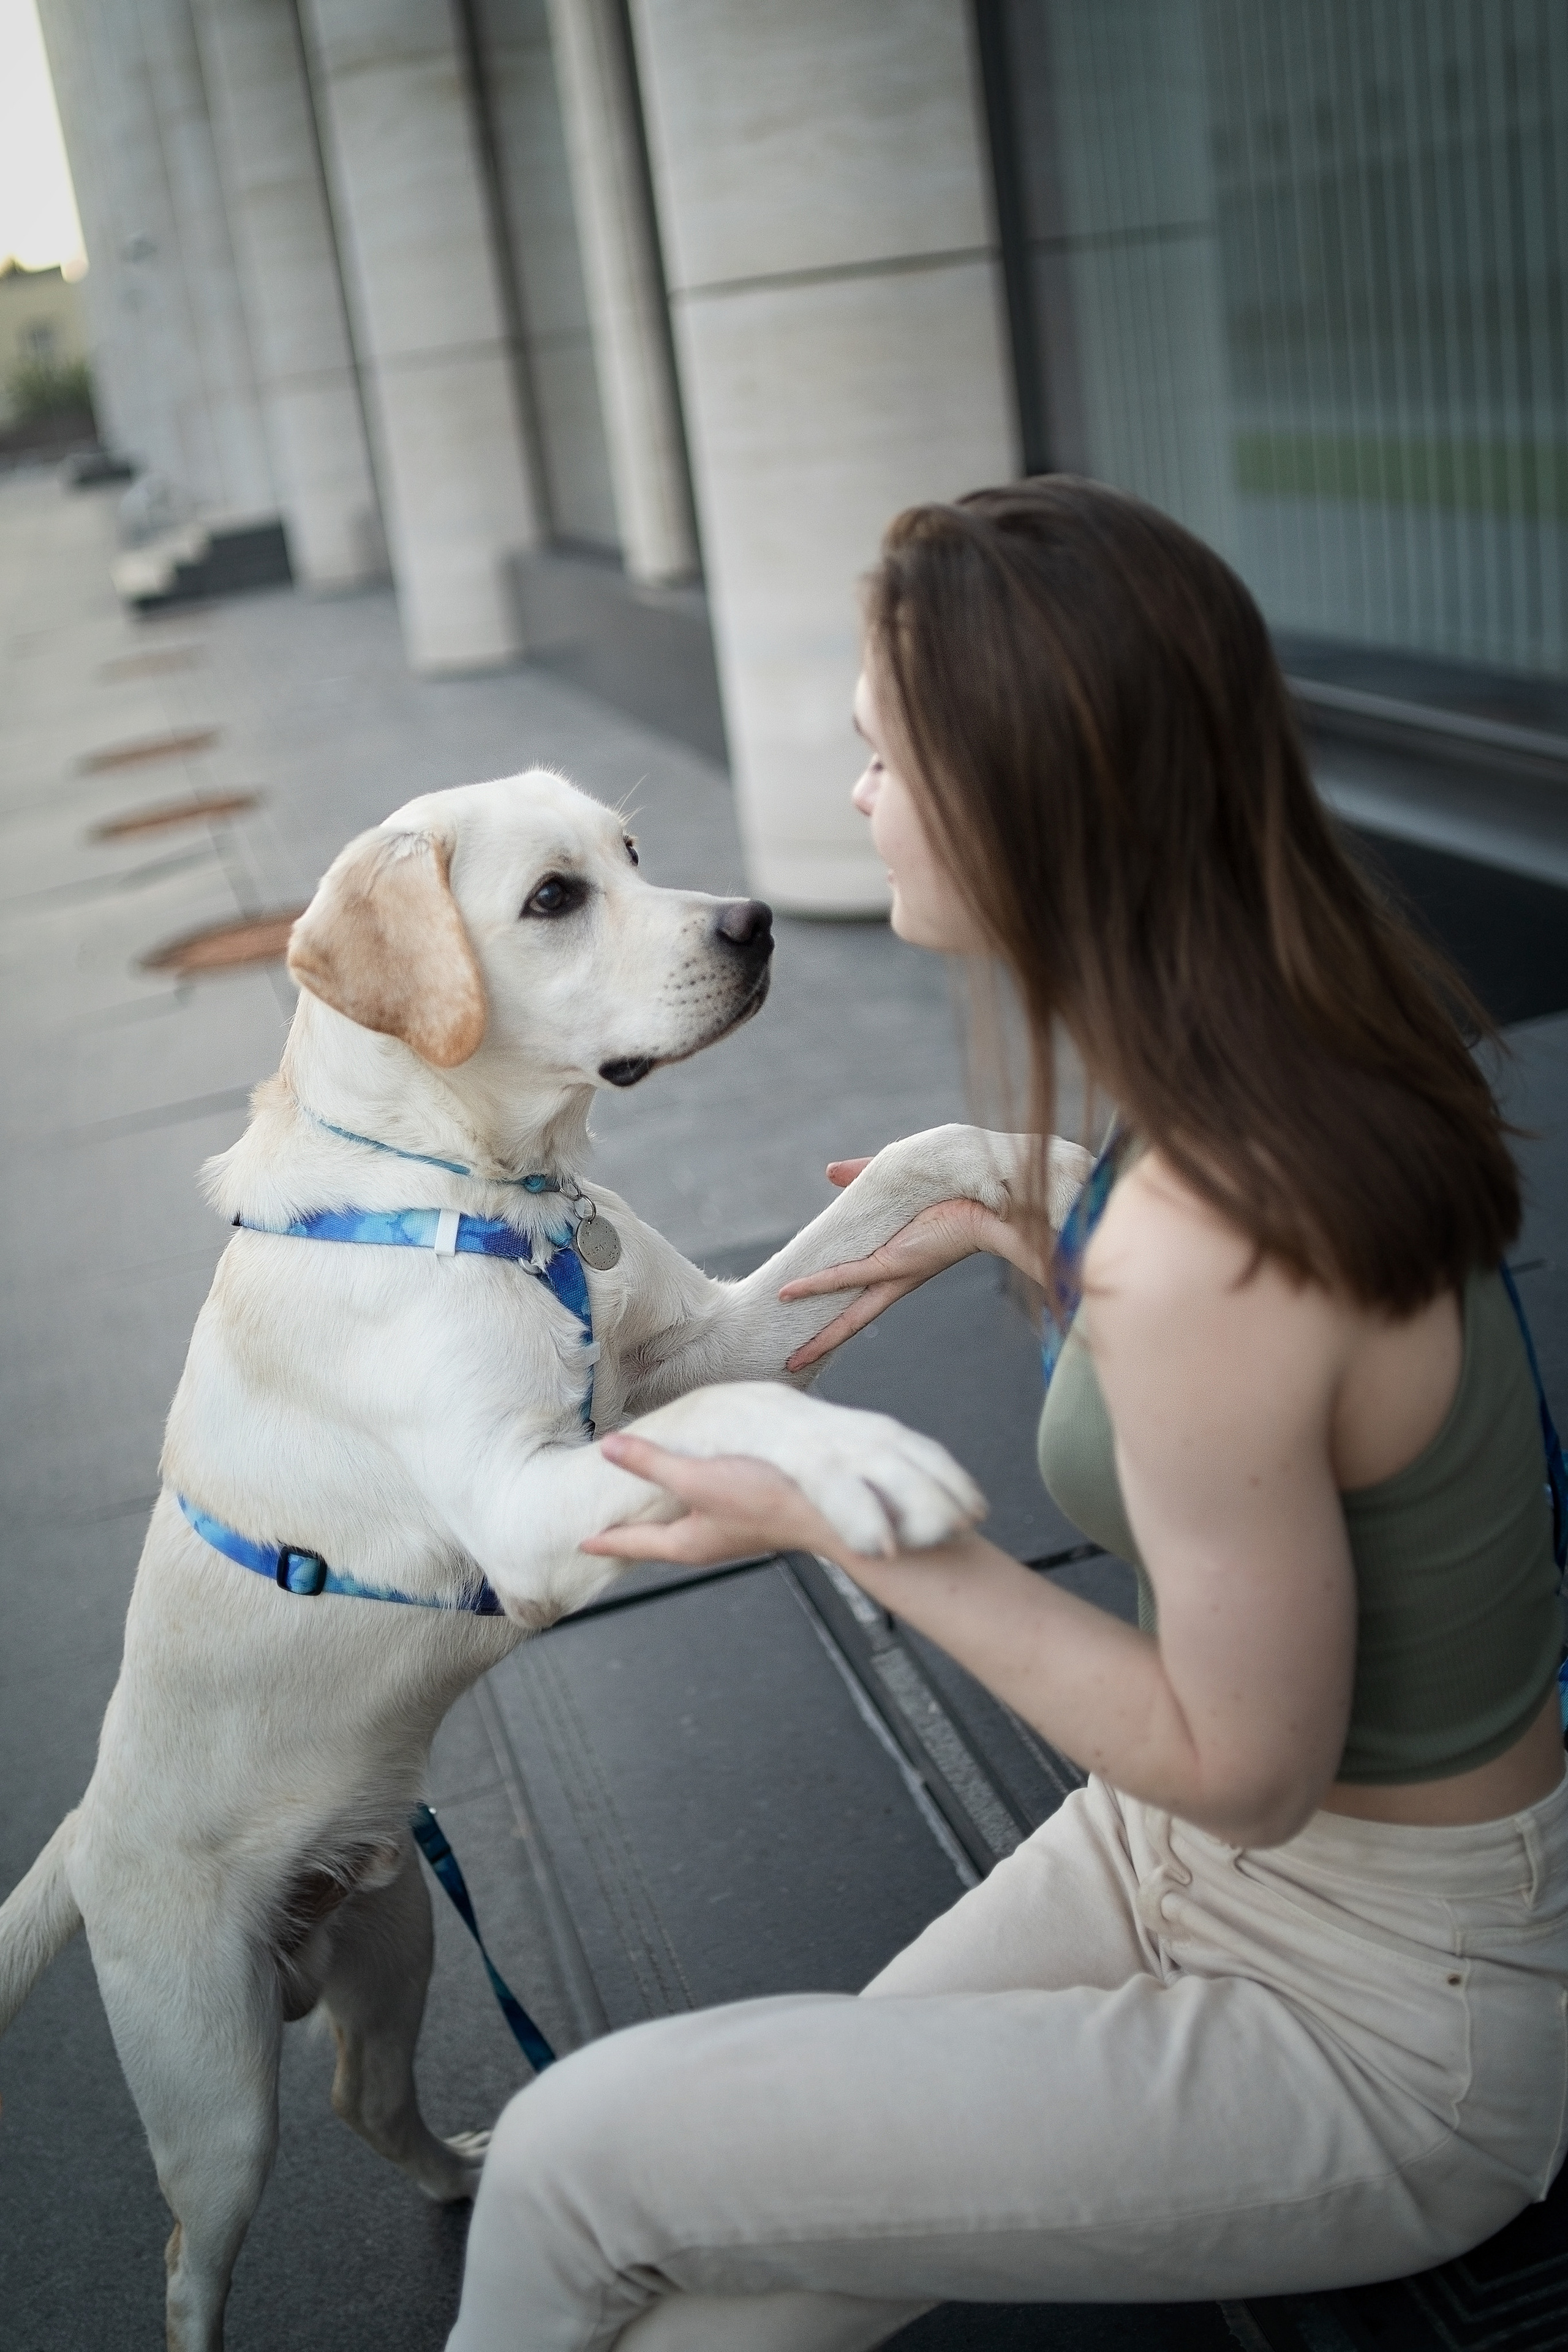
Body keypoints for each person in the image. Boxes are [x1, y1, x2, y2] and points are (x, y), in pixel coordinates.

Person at [445, 480, 1568, 2352]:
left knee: (575, 2159)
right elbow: (1296, 1411)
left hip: (1384, 2013)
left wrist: (842, 1511)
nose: (858, 785)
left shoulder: (1213, 1232)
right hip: (1196, 1861)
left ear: (1027, 796)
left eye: (885, 754)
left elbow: (1247, 1758)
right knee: (742, 2283)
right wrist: (1021, 1190)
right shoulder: (1275, 1078)